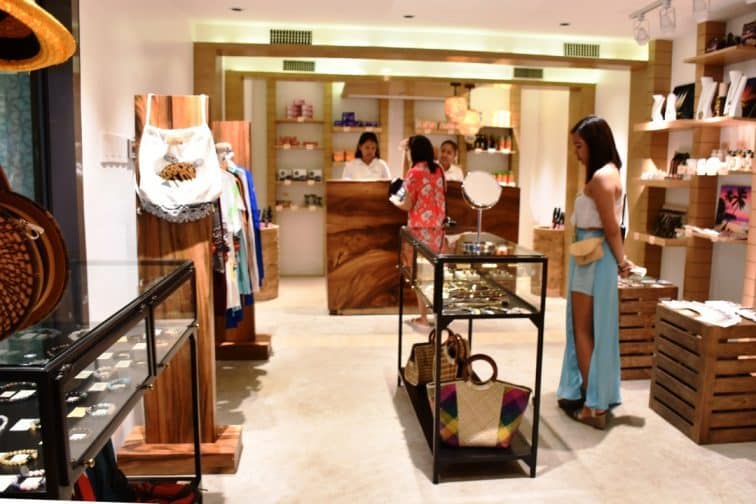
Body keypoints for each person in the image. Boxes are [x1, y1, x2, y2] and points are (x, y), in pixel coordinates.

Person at [557, 115, 633, 430]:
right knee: (593, 328)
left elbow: (611, 228)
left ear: (594, 144)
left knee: (582, 329)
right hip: (594, 256)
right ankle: (595, 396)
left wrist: (623, 261)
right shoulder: (612, 172)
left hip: (591, 257)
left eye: (579, 146)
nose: (577, 153)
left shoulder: (601, 178)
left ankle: (594, 406)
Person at [393, 135, 446, 331]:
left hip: (418, 231)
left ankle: (423, 317)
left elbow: (407, 203)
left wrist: (394, 199)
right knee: (435, 274)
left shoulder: (414, 173)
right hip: (438, 230)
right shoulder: (438, 170)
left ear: (412, 152)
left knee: (418, 275)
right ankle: (438, 315)